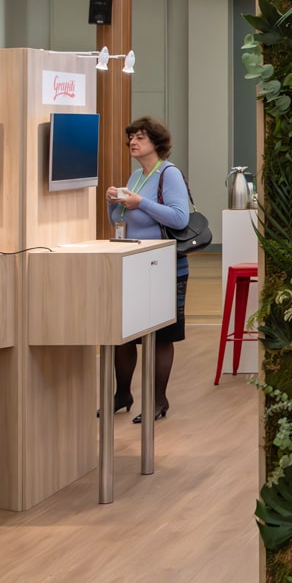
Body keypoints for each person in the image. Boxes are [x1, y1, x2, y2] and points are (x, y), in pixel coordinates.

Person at [106, 116, 191, 421]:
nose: (133, 142)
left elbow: (179, 218)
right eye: (131, 137)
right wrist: (113, 203)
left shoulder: (169, 174)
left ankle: (158, 401)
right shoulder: (135, 176)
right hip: (135, 264)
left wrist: (140, 202)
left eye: (140, 137)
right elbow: (121, 221)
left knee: (161, 337)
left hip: (165, 266)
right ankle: (122, 394)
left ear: (156, 142)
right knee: (124, 334)